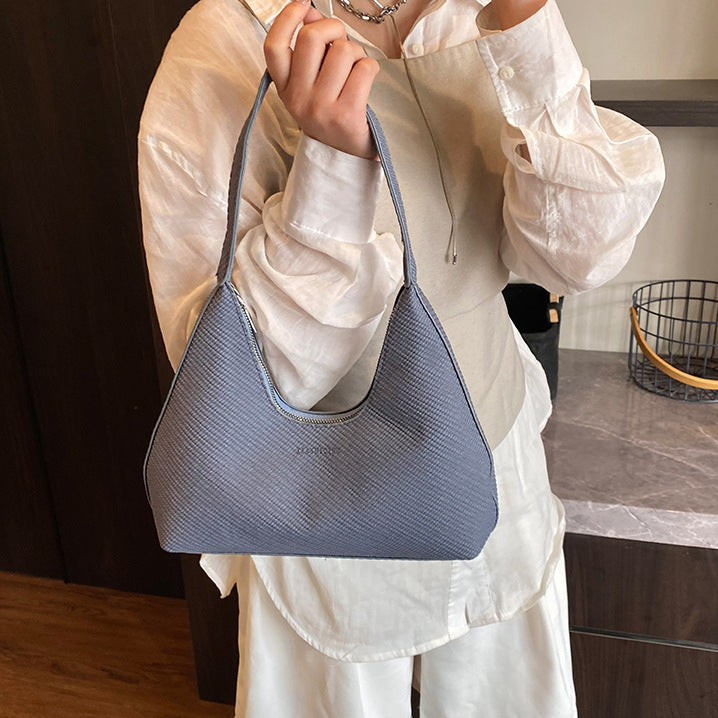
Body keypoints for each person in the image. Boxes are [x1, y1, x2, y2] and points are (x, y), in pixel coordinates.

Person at [138, 0, 665, 715]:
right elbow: (227, 390)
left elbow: (576, 259)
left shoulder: (479, 12)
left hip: (497, 472)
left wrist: (527, 29)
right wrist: (331, 168)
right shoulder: (224, 41)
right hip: (328, 509)